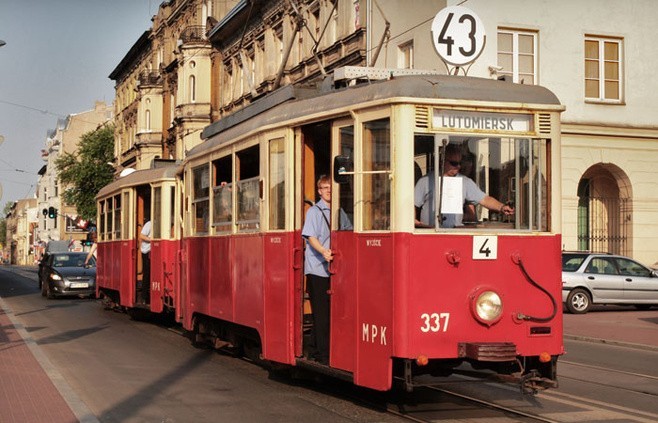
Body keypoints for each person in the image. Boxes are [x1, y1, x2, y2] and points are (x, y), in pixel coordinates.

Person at [414, 144, 514, 228]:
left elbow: (484, 199)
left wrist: (501, 207)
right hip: (430, 233)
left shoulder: (465, 182)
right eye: (454, 163)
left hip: (455, 233)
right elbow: (413, 204)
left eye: (460, 163)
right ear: (442, 161)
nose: (458, 167)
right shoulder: (426, 181)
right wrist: (415, 222)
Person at [301, 175, 333, 365]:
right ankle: (323, 354)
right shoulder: (314, 211)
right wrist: (323, 251)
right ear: (319, 191)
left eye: (330, 187)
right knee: (322, 314)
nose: (328, 190)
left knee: (326, 312)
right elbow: (310, 237)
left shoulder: (337, 211)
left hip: (331, 269)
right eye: (324, 187)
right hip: (317, 269)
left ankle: (313, 349)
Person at [139, 219, 152, 304]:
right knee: (147, 274)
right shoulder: (149, 224)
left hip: (153, 250)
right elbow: (141, 236)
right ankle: (143, 297)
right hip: (146, 251)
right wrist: (151, 239)